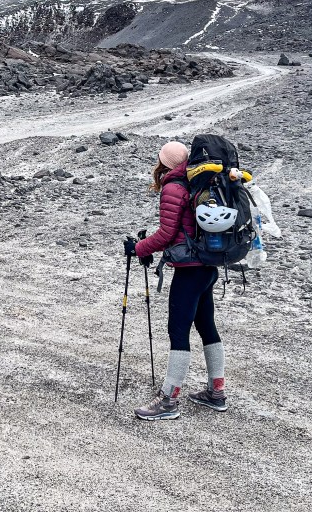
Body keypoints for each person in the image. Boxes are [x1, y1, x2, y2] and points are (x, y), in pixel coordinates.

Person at [126, 140, 228, 420]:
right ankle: (215, 392)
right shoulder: (199, 183)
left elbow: (167, 233)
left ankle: (168, 400)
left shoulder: (174, 187)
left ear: (165, 163)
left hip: (189, 270)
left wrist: (139, 248)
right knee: (207, 325)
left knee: (178, 331)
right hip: (208, 266)